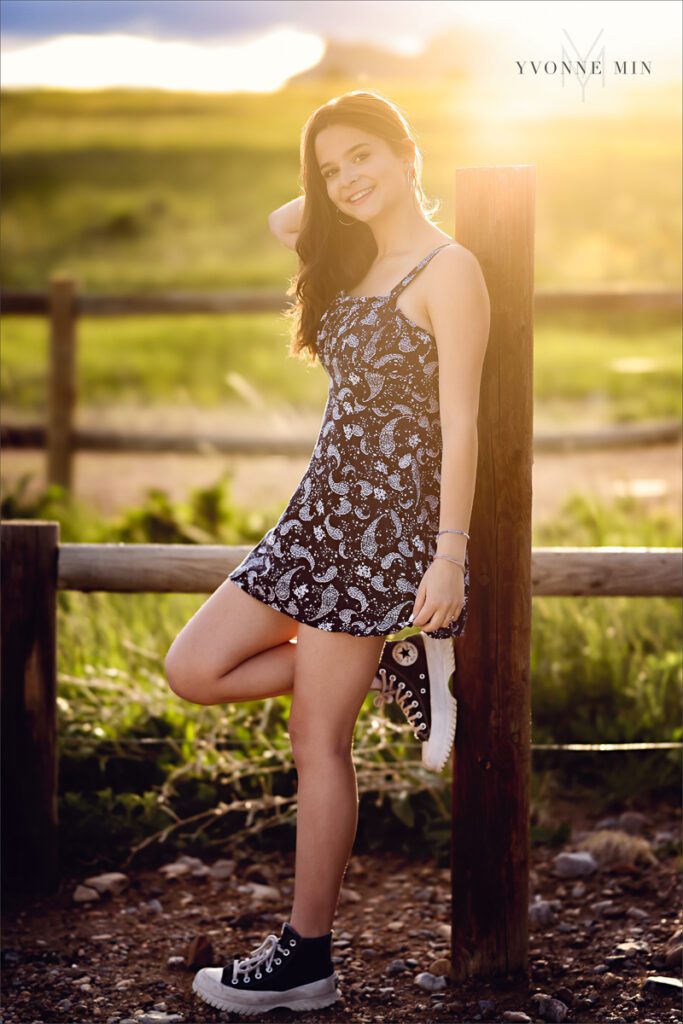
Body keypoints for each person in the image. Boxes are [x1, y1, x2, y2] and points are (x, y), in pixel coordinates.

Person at [164, 88, 490, 1016]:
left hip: (385, 531)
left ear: (407, 150)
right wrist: (341, 180)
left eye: (365, 157)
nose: (346, 180)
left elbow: (459, 424)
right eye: (332, 167)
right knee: (193, 667)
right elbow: (283, 216)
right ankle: (386, 658)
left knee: (317, 739)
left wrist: (447, 559)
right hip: (314, 515)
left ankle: (306, 957)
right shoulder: (350, 253)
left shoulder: (446, 268)